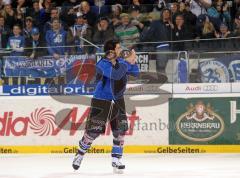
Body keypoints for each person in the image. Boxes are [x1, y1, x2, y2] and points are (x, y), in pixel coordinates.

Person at [72, 39, 139, 173]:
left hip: (118, 100)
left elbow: (136, 73)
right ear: (111, 51)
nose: (121, 50)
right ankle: (79, 154)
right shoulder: (102, 64)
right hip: (101, 100)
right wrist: (128, 61)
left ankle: (116, 159)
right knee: (93, 132)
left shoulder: (121, 62)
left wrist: (134, 61)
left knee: (120, 131)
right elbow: (116, 75)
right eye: (118, 48)